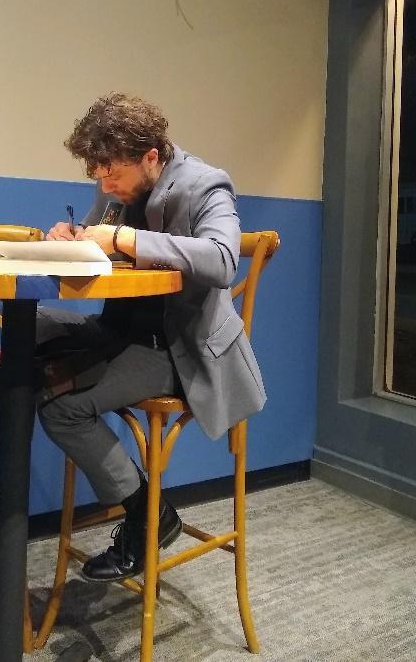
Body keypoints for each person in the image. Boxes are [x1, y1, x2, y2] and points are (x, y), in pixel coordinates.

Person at [35, 92, 266, 582]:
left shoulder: (205, 184)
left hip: (177, 349)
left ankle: (150, 515)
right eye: (97, 175)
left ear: (151, 156)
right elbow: (98, 248)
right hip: (117, 330)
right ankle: (26, 377)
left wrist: (122, 239)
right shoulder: (116, 188)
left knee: (60, 408)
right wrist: (72, 241)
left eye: (112, 175)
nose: (104, 185)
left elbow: (223, 259)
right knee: (31, 328)